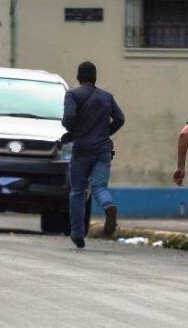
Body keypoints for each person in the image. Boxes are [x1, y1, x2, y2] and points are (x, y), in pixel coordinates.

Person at [62, 61, 125, 248]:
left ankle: (78, 233)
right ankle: (108, 206)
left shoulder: (72, 95)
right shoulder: (106, 97)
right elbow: (120, 118)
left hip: (82, 150)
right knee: (98, 187)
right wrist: (105, 133)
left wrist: (73, 131)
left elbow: (69, 118)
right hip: (103, 150)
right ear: (95, 77)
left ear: (78, 77)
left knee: (78, 192)